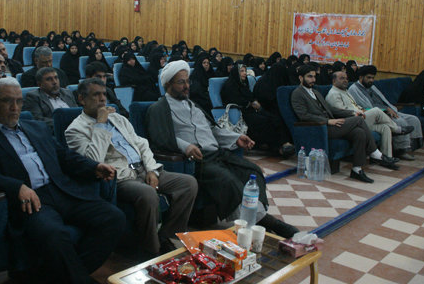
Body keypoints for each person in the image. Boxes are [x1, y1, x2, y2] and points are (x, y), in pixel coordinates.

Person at [0, 78, 125, 284]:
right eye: (8, 101)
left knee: (114, 218)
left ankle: (65, 277)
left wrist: (94, 167)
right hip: (32, 201)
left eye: (19, 101)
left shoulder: (36, 128)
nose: (15, 107)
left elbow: (64, 156)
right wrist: (16, 187)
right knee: (55, 235)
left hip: (61, 191)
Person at [145, 61, 298, 238]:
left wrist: (236, 138)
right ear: (167, 84)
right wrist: (186, 147)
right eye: (181, 82)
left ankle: (256, 220)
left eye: (188, 81)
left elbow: (213, 130)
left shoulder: (193, 105)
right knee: (228, 181)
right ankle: (270, 224)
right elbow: (160, 137)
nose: (186, 86)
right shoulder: (159, 109)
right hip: (198, 160)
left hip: (218, 154)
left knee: (252, 171)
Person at [67, 78, 198, 256]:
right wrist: (100, 125)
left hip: (143, 169)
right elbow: (93, 161)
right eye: (96, 95)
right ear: (82, 99)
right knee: (148, 193)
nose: (102, 99)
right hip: (120, 178)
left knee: (188, 184)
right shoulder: (75, 130)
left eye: (104, 94)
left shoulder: (118, 119)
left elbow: (141, 144)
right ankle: (152, 251)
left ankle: (167, 236)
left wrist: (151, 170)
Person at [291, 65, 398, 183]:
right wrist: (328, 121)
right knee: (359, 120)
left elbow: (331, 109)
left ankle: (357, 170)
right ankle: (375, 153)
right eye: (309, 77)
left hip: (331, 125)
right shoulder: (297, 93)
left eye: (314, 76)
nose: (313, 79)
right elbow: (304, 115)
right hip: (320, 128)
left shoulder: (315, 91)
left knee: (359, 133)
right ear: (301, 78)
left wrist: (352, 113)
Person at [326, 71, 413, 159]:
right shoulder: (333, 94)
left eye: (346, 78)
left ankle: (386, 157)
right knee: (376, 110)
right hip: (352, 122)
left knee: (385, 128)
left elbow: (355, 106)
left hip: (361, 118)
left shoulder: (345, 91)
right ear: (334, 81)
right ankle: (397, 129)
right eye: (342, 78)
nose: (345, 80)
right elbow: (341, 112)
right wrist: (360, 112)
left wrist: (362, 110)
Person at [348, 65, 423, 160]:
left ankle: (412, 146)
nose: (371, 80)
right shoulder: (354, 89)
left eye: (373, 78)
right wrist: (386, 110)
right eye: (368, 78)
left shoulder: (372, 87)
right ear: (361, 77)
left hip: (387, 110)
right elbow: (365, 107)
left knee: (413, 119)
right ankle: (401, 150)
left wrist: (389, 109)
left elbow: (383, 101)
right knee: (400, 122)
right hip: (375, 115)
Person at [222, 64, 295, 157]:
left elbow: (250, 96)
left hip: (251, 110)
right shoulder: (229, 85)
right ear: (236, 73)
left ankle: (283, 143)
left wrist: (253, 102)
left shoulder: (243, 84)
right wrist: (250, 103)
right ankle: (278, 147)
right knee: (264, 121)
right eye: (242, 71)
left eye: (245, 71)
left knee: (274, 118)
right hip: (239, 112)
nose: (245, 73)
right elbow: (233, 100)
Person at [22, 67, 78, 132]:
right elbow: (38, 120)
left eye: (56, 78)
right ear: (39, 84)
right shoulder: (33, 97)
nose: (54, 82)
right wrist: (63, 124)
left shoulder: (67, 93)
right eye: (49, 79)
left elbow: (78, 113)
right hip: (56, 131)